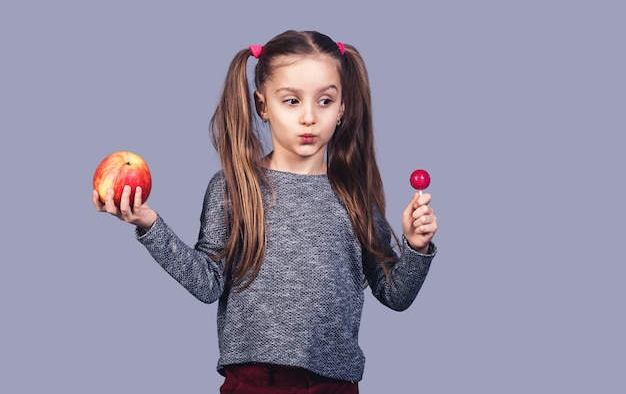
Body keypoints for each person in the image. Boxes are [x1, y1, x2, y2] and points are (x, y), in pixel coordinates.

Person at [93, 29, 438, 394]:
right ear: (262, 106)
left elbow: (395, 295)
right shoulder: (235, 187)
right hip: (256, 383)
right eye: (291, 101)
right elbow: (208, 284)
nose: (309, 117)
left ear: (342, 109)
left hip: (336, 385)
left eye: (324, 101)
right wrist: (149, 224)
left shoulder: (355, 196)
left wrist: (416, 247)